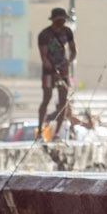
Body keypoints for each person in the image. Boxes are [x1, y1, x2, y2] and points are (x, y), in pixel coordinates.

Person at [35, 7, 78, 135]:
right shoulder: (44, 35)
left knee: (63, 101)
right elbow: (44, 57)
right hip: (49, 71)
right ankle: (40, 130)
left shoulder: (67, 32)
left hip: (63, 69)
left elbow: (73, 51)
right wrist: (53, 71)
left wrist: (68, 64)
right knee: (46, 98)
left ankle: (57, 132)